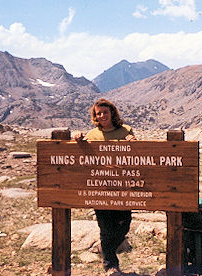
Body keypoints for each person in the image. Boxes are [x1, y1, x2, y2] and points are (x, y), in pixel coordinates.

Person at [73, 98, 135, 275]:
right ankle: (110, 265)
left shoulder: (126, 131)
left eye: (105, 112)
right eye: (98, 113)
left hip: (123, 188)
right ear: (95, 116)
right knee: (105, 227)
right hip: (100, 189)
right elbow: (80, 155)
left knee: (124, 226)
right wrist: (76, 138)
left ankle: (106, 250)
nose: (102, 116)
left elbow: (137, 154)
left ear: (112, 113)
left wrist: (133, 141)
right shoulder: (91, 135)